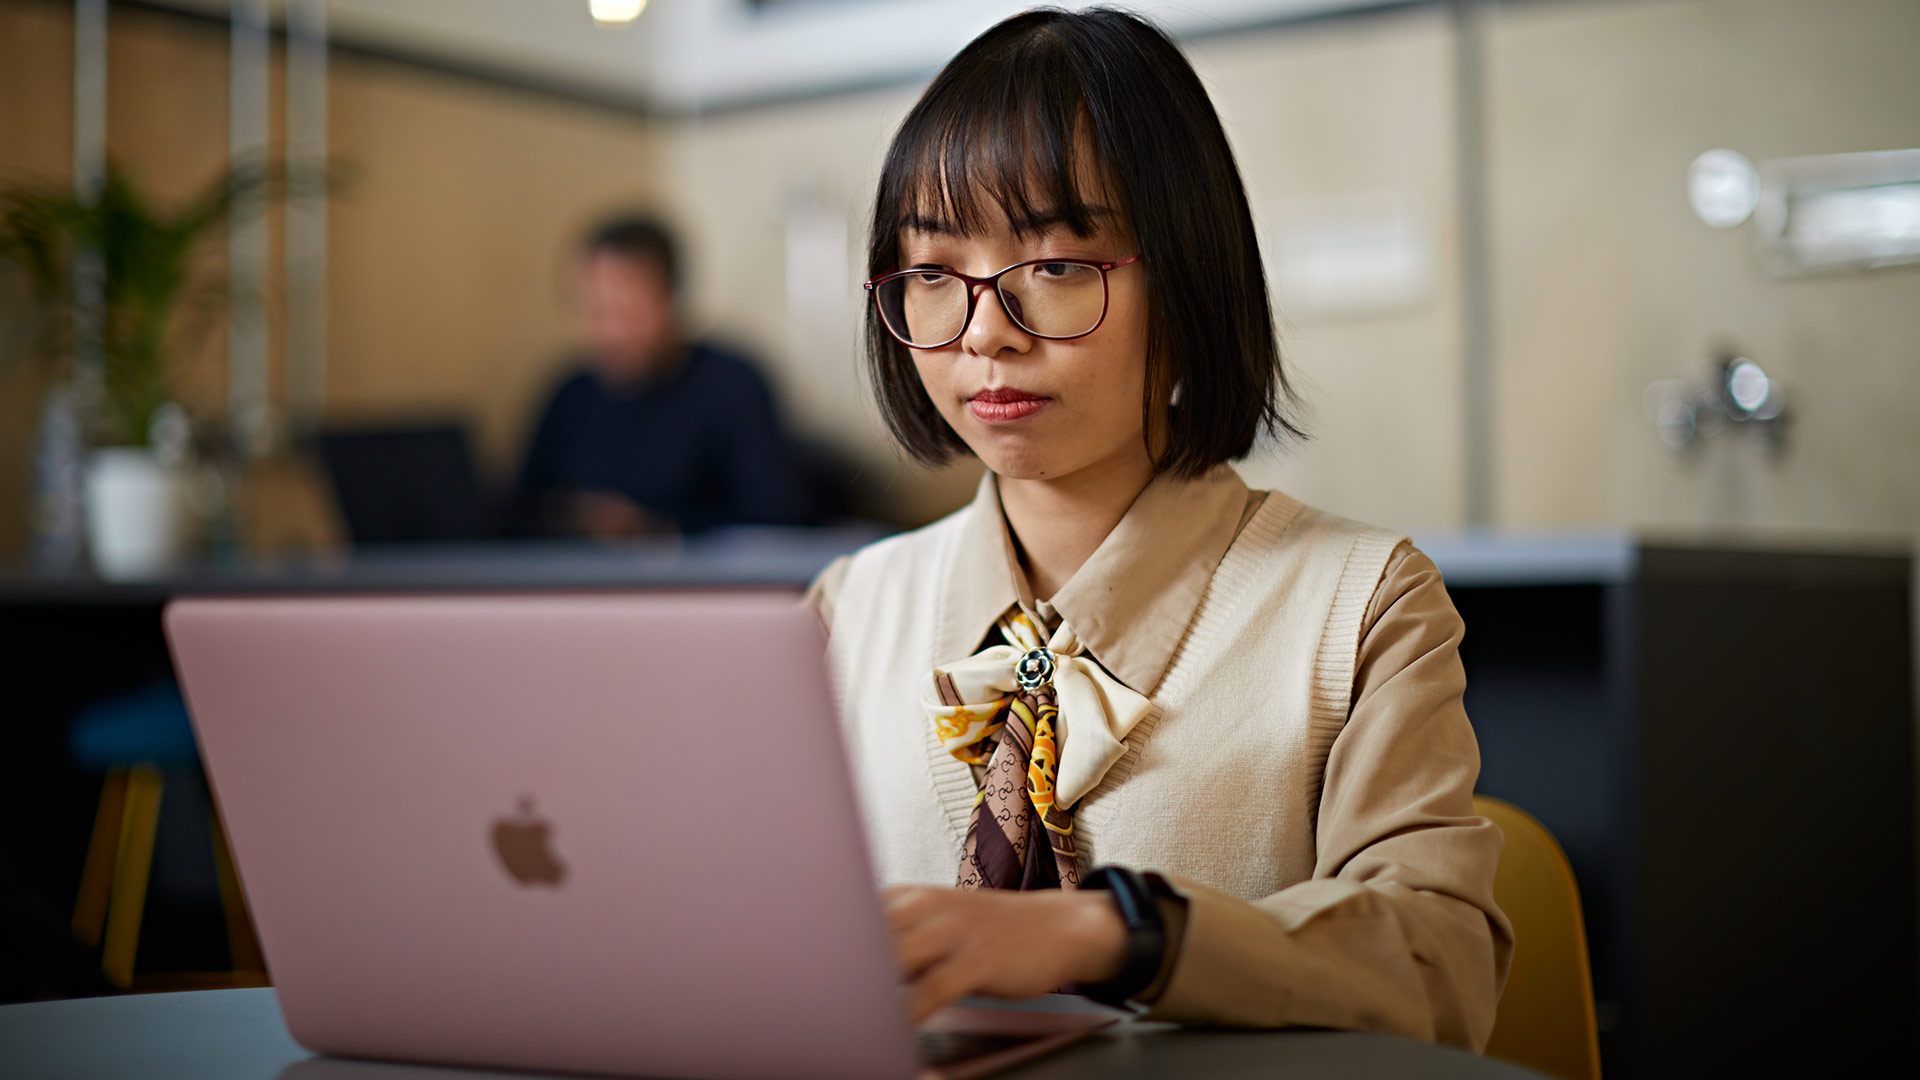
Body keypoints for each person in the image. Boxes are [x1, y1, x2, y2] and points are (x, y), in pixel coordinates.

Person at [806, 7, 1513, 1051]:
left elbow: (1437, 963)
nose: (985, 331)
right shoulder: (847, 612)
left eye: (1053, 265)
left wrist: (1118, 936)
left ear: (1184, 280)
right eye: (933, 274)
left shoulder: (1361, 603)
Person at [511, 216, 814, 537]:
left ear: (670, 299)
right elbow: (519, 513)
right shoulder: (570, 397)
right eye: (597, 311)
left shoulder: (732, 386)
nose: (611, 332)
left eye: (628, 311)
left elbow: (777, 515)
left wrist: (656, 530)